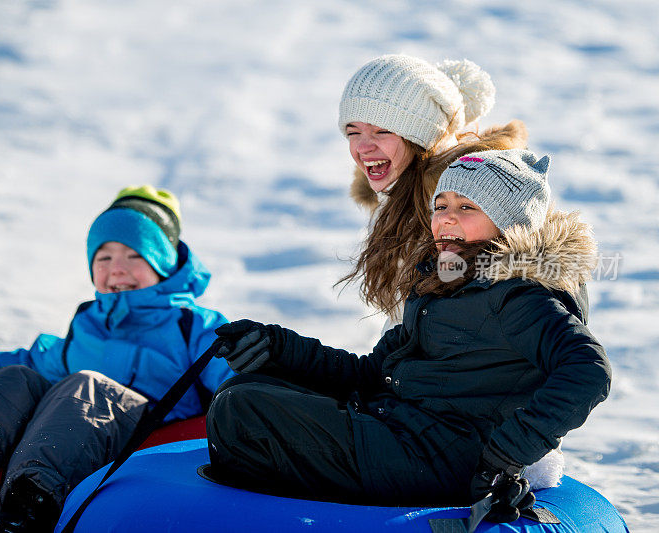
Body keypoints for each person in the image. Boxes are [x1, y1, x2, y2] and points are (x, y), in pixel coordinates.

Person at [206, 149, 611, 523]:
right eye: (441, 206)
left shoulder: (518, 295)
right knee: (246, 387)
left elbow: (588, 370)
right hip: (402, 432)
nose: (446, 218)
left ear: (510, 224)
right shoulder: (446, 284)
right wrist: (277, 347)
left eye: (467, 207)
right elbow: (371, 374)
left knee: (242, 412)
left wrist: (505, 457)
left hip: (442, 458)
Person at [0, 185, 234, 533]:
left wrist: (258, 370)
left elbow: (232, 367)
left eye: (134, 256)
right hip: (72, 430)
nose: (117, 268)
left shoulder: (192, 325)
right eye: (104, 257)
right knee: (14, 379)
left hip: (147, 431)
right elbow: (40, 359)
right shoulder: (86, 323)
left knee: (84, 385)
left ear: (163, 263)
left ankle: (24, 515)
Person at [336, 53, 530, 320]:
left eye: (382, 131)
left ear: (421, 136)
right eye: (352, 132)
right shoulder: (397, 198)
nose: (362, 147)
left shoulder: (469, 209)